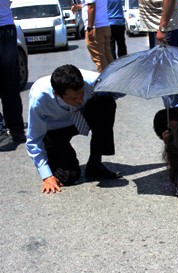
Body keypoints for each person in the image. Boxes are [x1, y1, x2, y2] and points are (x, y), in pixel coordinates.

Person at [26, 65, 122, 194]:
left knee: (105, 102)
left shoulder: (93, 80)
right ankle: (57, 159)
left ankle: (95, 163)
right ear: (56, 94)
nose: (80, 100)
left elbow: (121, 87)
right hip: (54, 131)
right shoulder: (39, 99)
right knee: (68, 176)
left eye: (82, 94)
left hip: (79, 118)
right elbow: (34, 140)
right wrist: (46, 176)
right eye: (73, 98)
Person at [0, 0, 26, 150]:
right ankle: (16, 129)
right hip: (7, 28)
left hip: (6, 27)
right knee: (10, 83)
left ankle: (2, 129)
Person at [72, 0, 114, 73]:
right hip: (104, 25)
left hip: (96, 27)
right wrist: (78, 7)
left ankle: (104, 81)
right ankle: (114, 78)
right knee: (107, 55)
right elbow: (90, 5)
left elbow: (91, 7)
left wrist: (90, 28)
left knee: (99, 58)